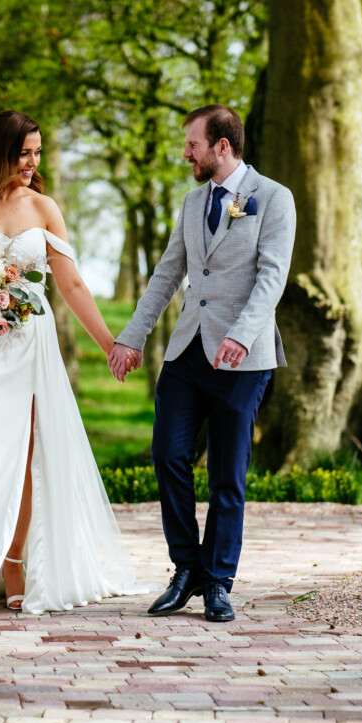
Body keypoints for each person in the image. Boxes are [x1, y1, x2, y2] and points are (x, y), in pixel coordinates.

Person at [0, 110, 142, 621]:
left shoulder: (45, 208)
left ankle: (14, 566)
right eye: (23, 153)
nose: (32, 162)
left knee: (25, 455)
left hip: (27, 341)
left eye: (38, 153)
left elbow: (70, 285)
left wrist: (112, 342)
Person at [108, 104, 295, 623]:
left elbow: (272, 278)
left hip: (243, 357)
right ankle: (186, 569)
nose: (184, 153)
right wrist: (131, 337)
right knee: (167, 457)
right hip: (188, 353)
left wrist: (240, 334)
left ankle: (218, 581)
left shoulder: (274, 199)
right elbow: (167, 275)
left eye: (192, 144)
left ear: (222, 146)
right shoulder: (193, 203)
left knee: (227, 477)